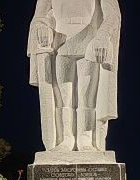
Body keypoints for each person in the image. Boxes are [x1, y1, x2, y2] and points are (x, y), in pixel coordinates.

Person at [28, 0, 121, 151]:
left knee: (87, 97)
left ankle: (86, 139)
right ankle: (66, 138)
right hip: (61, 43)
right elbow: (39, 17)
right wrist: (41, 26)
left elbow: (112, 15)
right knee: (63, 98)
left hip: (90, 42)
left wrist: (102, 36)